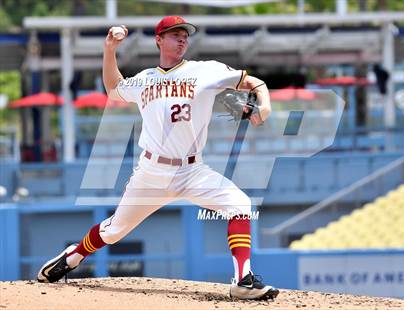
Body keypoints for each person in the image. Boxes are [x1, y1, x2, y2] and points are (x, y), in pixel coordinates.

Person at [37, 16, 278, 301]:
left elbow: (254, 81)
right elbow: (114, 89)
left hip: (192, 170)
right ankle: (73, 257)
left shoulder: (206, 71)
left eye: (185, 35)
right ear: (159, 40)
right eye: (175, 34)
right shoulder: (145, 79)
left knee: (240, 204)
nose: (182, 39)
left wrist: (264, 105)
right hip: (151, 172)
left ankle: (243, 281)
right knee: (114, 231)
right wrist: (109, 49)